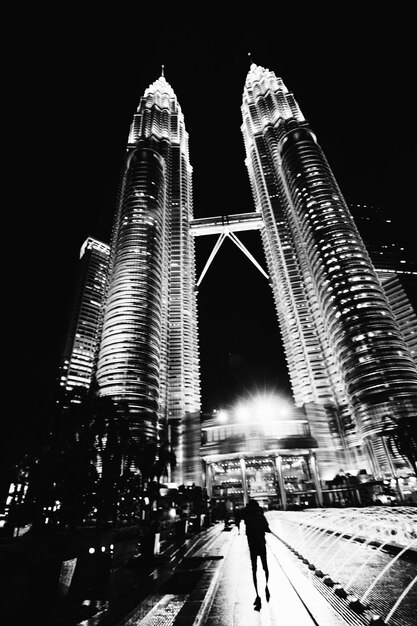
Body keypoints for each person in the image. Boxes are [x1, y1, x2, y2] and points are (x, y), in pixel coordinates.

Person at [242, 499, 274, 611]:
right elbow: (267, 528)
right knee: (265, 567)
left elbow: (241, 517)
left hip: (252, 545)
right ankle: (266, 587)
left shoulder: (247, 518)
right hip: (261, 544)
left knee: (254, 569)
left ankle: (257, 595)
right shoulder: (260, 517)